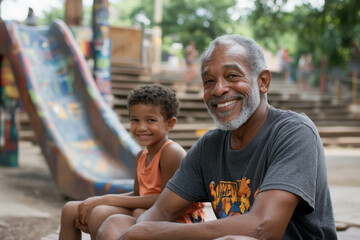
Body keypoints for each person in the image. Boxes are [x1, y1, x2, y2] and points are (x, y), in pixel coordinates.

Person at [98, 34, 337, 240]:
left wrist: (153, 233)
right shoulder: (209, 146)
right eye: (209, 81)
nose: (218, 89)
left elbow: (264, 227)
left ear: (263, 82)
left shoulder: (293, 132)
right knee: (116, 224)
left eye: (232, 76)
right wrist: (141, 230)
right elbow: (161, 212)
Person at [58, 84, 205, 240]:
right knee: (70, 209)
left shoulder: (171, 152)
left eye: (150, 120)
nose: (141, 127)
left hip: (180, 220)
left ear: (170, 123)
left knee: (100, 213)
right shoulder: (142, 155)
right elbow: (137, 194)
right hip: (147, 210)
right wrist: (96, 201)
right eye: (135, 120)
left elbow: (166, 201)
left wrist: (105, 199)